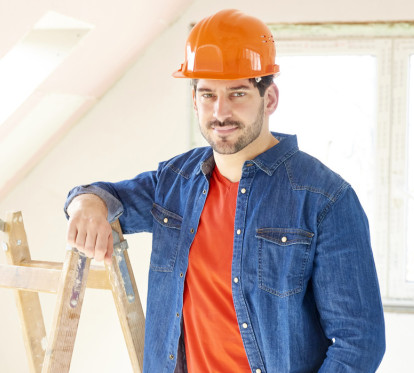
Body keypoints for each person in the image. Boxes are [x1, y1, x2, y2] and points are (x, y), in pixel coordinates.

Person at [64, 9, 386, 373]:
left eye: (237, 93)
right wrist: (85, 204)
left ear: (270, 98)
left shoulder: (324, 199)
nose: (220, 112)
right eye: (207, 94)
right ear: (194, 100)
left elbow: (359, 342)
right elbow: (105, 196)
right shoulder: (174, 183)